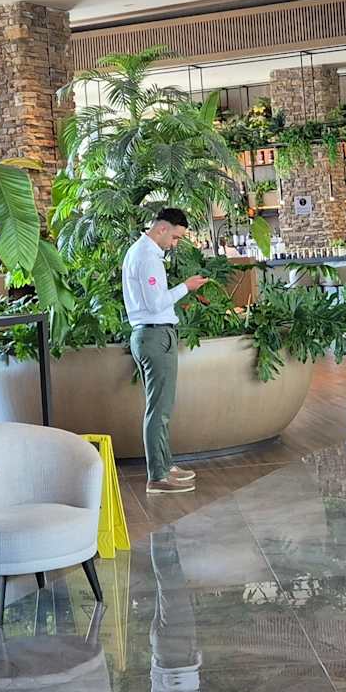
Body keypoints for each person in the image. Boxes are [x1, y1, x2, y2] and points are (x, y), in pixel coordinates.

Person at [123, 207, 209, 493]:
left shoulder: (141, 253)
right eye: (175, 237)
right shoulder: (147, 257)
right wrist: (186, 287)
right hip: (155, 336)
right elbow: (155, 303)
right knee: (159, 409)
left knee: (160, 407)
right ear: (162, 228)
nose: (174, 244)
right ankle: (158, 477)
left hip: (150, 335)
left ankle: (165, 465)